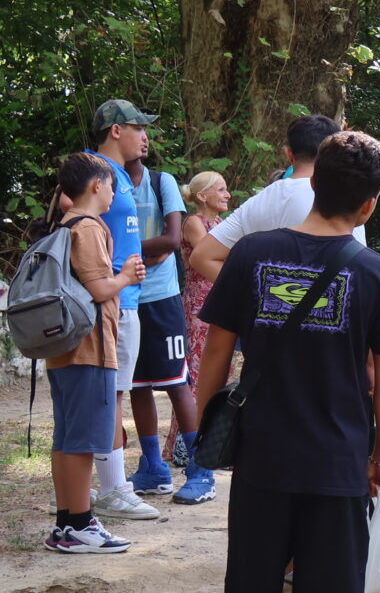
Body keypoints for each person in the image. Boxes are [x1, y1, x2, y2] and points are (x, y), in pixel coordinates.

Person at [193, 130, 380, 593]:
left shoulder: (253, 255)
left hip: (261, 453)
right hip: (339, 460)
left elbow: (215, 350)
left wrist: (204, 426)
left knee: (250, 591)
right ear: (372, 205)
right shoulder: (375, 272)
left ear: (310, 183)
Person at [42, 153, 145, 553]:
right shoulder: (87, 227)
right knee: (84, 441)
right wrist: (127, 276)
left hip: (65, 349)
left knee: (68, 438)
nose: (115, 192)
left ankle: (67, 525)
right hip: (89, 348)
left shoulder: (65, 224)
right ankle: (81, 524)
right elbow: (100, 289)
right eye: (112, 185)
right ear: (96, 186)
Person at [124, 149, 216, 504]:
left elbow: (171, 240)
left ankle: (200, 469)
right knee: (136, 384)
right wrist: (146, 251)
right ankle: (152, 468)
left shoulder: (161, 183)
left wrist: (126, 254)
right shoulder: (108, 183)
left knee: (177, 383)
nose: (143, 136)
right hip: (125, 297)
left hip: (161, 298)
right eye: (136, 128)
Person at [87, 99, 158, 523]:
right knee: (110, 395)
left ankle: (114, 486)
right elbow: (70, 217)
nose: (144, 135)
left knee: (115, 393)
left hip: (125, 298)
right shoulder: (95, 171)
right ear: (116, 130)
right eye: (137, 127)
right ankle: (113, 489)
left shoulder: (119, 176)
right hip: (112, 300)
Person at [188, 115, 364, 282]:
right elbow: (359, 267)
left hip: (268, 311)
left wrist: (255, 297)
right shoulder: (343, 199)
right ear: (335, 154)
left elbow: (201, 257)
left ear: (289, 154)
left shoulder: (259, 201)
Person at [166, 171, 232, 465]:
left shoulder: (220, 224)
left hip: (219, 302)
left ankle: (214, 442)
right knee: (197, 373)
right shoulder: (194, 222)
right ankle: (185, 446)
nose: (227, 195)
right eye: (221, 189)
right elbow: (216, 256)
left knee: (221, 372)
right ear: (202, 196)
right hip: (199, 306)